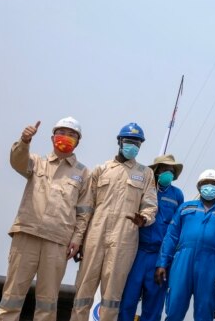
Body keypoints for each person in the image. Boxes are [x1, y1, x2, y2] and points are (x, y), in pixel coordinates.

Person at [0, 118, 91, 321]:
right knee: (12, 295)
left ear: (78, 141)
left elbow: (83, 212)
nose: (66, 137)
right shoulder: (37, 162)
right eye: (61, 132)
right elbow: (18, 162)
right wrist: (24, 141)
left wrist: (77, 238)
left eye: (71, 134)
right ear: (52, 138)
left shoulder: (83, 173)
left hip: (58, 242)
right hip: (27, 234)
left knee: (47, 301)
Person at [70, 123, 158, 321]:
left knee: (112, 294)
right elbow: (86, 208)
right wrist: (80, 238)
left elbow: (151, 205)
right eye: (129, 141)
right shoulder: (101, 170)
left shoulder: (145, 173)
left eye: (137, 143)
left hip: (124, 237)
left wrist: (144, 218)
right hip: (95, 234)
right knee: (83, 289)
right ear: (119, 142)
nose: (132, 146)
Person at [155, 169, 215, 321]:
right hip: (182, 260)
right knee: (174, 308)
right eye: (206, 183)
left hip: (211, 264)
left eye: (214, 184)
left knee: (205, 310)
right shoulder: (185, 207)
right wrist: (162, 263)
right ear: (199, 187)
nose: (210, 187)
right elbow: (171, 236)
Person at [118, 154, 185, 321]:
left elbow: (176, 229)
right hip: (137, 252)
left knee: (154, 304)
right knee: (127, 300)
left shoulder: (177, 195)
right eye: (164, 169)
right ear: (156, 171)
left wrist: (165, 260)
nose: (168, 173)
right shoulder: (144, 189)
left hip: (160, 256)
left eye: (171, 170)